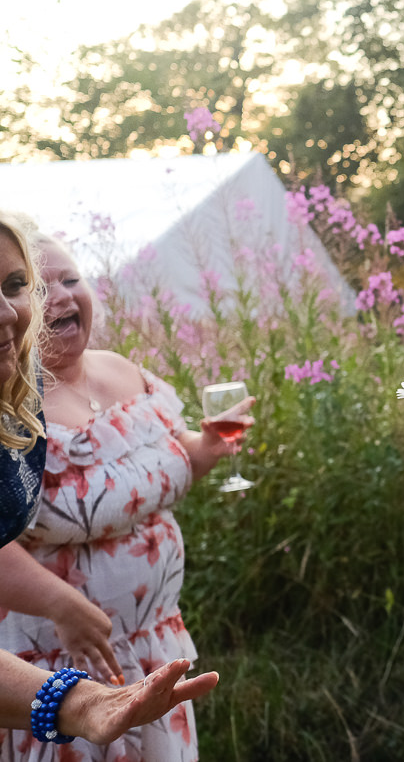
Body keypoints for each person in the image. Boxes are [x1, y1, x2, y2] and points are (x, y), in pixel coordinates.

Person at [0, 224, 248, 760]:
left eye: (73, 279)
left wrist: (205, 446)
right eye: (43, 287)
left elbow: (161, 464)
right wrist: (59, 601)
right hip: (54, 660)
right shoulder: (13, 397)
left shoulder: (119, 370)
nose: (63, 296)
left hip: (153, 642)